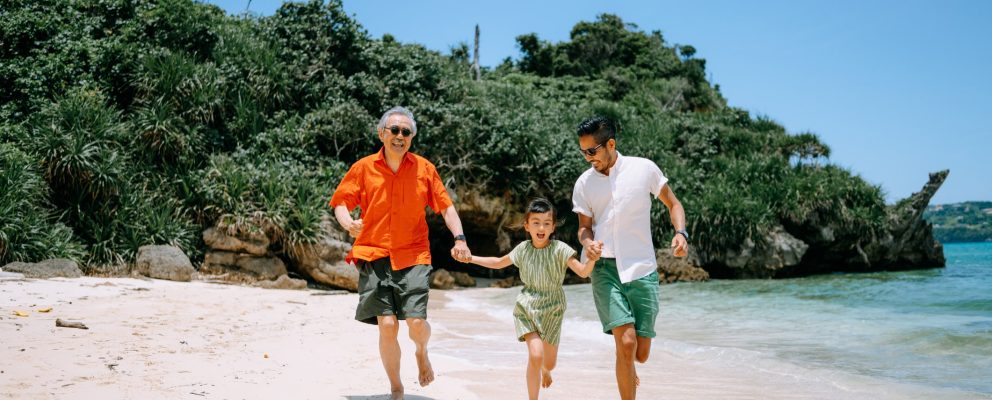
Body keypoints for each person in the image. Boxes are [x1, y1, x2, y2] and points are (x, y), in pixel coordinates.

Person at [329, 106, 473, 400]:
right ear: (381, 133)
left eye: (406, 132)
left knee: (416, 322)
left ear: (412, 137)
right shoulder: (363, 167)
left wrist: (460, 238)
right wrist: (348, 223)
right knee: (388, 324)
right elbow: (341, 202)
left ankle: (421, 351)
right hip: (374, 252)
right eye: (394, 130)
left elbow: (446, 207)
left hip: (414, 254)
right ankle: (396, 388)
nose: (399, 136)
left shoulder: (424, 169)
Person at [571, 116, 689, 400]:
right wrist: (588, 245)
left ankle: (629, 367)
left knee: (641, 353)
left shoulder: (643, 169)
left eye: (592, 151)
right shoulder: (584, 183)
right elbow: (584, 229)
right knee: (625, 343)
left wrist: (681, 233)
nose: (587, 158)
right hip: (605, 270)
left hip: (642, 269)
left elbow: (674, 204)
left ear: (610, 144)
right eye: (582, 152)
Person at [462, 198, 598, 400]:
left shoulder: (560, 249)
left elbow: (583, 272)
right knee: (535, 355)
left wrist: (591, 259)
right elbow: (499, 262)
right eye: (536, 222)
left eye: (546, 222)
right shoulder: (523, 249)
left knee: (549, 363)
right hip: (527, 306)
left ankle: (546, 370)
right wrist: (470, 257)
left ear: (553, 227)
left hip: (553, 308)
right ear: (527, 226)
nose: (541, 227)